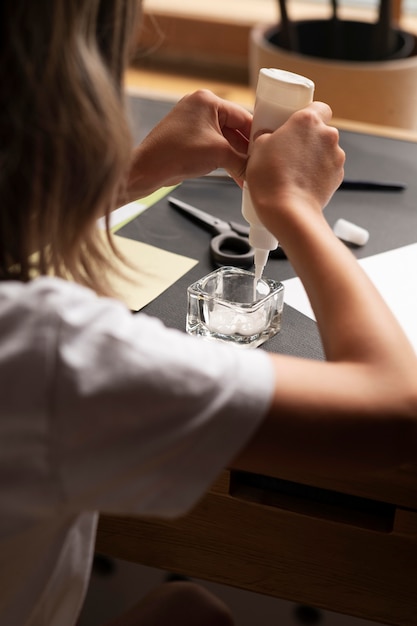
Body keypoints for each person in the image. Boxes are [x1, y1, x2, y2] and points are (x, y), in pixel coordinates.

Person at [1, 1, 416, 626]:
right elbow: (394, 409)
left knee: (185, 608)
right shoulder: (46, 353)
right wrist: (297, 208)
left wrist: (136, 173)